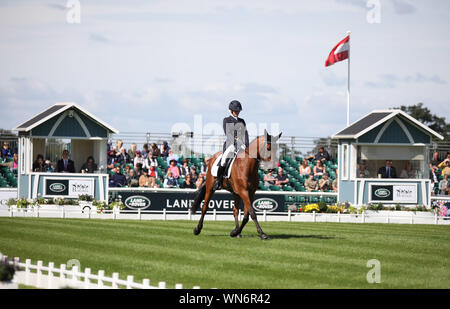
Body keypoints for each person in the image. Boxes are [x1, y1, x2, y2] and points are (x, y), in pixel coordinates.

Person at [213, 100, 249, 191]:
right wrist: (237, 142)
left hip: (242, 146)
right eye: (235, 111)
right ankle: (219, 180)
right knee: (224, 160)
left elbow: (245, 133)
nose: (237, 112)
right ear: (231, 111)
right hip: (231, 145)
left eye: (238, 111)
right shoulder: (226, 120)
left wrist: (246, 145)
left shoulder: (242, 121)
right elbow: (228, 133)